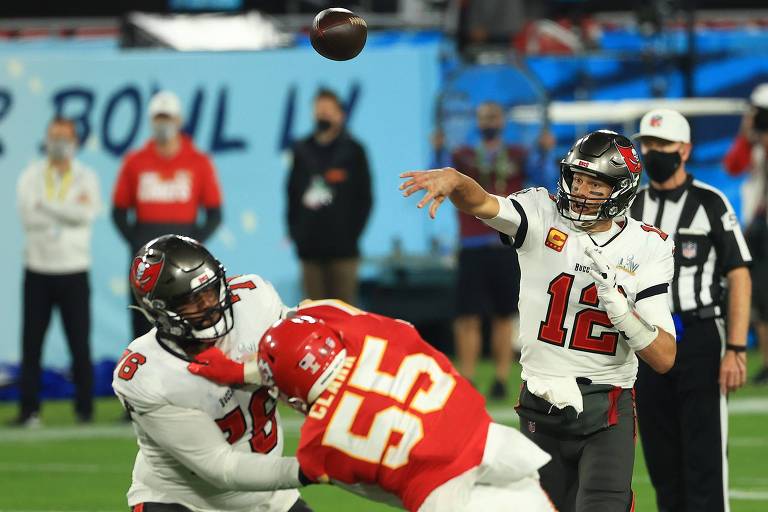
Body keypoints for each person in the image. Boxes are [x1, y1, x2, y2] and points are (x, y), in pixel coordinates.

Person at [400, 129, 678, 512]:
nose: (581, 191)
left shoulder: (648, 246)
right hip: (540, 405)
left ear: (622, 191)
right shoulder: (541, 213)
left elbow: (664, 356)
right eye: (577, 179)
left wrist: (620, 311)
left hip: (607, 407)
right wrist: (456, 179)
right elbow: (482, 202)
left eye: (595, 185)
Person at [187, 299, 555, 512]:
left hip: (446, 497)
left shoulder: (320, 441)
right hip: (494, 443)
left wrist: (244, 372)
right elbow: (340, 321)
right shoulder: (383, 335)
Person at [111, 235, 313, 512]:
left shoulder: (253, 301)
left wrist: (246, 371)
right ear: (161, 309)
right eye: (191, 301)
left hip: (269, 496)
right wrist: (312, 468)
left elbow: (305, 352)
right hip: (181, 501)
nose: (209, 305)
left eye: (211, 289)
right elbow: (222, 467)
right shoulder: (146, 373)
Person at [631, 109, 751, 512]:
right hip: (646, 340)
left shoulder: (710, 203)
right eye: (647, 144)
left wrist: (735, 347)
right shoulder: (631, 205)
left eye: (662, 145)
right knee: (661, 460)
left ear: (685, 149)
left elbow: (739, 274)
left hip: (699, 334)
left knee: (705, 459)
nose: (653, 152)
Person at [450, 101, 555, 399]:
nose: (488, 122)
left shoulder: (518, 155)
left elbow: (546, 181)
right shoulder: (463, 155)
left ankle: (499, 378)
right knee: (467, 316)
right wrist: (438, 148)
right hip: (471, 244)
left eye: (493, 116)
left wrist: (546, 151)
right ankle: (467, 377)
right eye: (484, 117)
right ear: (476, 121)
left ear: (503, 121)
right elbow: (442, 175)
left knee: (503, 314)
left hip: (506, 242)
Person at [112, 90, 223, 340]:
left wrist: (193, 247)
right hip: (147, 262)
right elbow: (118, 212)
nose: (164, 125)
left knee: (188, 321)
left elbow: (214, 214)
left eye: (168, 118)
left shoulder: (198, 161)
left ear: (179, 121)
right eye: (158, 118)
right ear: (151, 122)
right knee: (143, 325)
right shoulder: (135, 161)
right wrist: (137, 242)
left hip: (184, 265)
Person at [14, 116, 101, 426]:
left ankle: (85, 409)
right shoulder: (30, 175)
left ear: (75, 141)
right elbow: (27, 217)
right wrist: (66, 213)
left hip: (74, 269)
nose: (58, 143)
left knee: (79, 342)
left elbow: (86, 214)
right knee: (31, 343)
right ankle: (29, 410)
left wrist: (47, 208)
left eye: (64, 137)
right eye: (53, 136)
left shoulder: (86, 177)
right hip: (37, 268)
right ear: (46, 139)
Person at [286, 88, 372, 305]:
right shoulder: (302, 150)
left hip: (343, 250)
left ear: (340, 115)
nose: (322, 115)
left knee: (344, 313)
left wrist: (351, 234)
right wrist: (298, 236)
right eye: (319, 110)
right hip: (310, 250)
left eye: (328, 110)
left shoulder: (353, 151)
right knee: (313, 313)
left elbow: (365, 198)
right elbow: (292, 195)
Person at [723, 83, 768, 384]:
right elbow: (732, 166)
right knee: (761, 296)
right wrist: (746, 132)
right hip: (759, 223)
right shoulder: (753, 144)